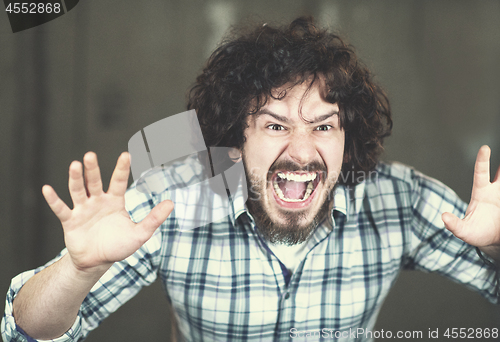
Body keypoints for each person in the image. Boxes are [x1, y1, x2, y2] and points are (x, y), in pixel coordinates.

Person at [2, 16, 499, 342]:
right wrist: (79, 269)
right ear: (236, 137)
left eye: (324, 126)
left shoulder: (399, 199)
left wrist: (497, 246)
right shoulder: (169, 202)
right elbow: (24, 333)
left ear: (348, 136)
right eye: (276, 125)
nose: (303, 151)